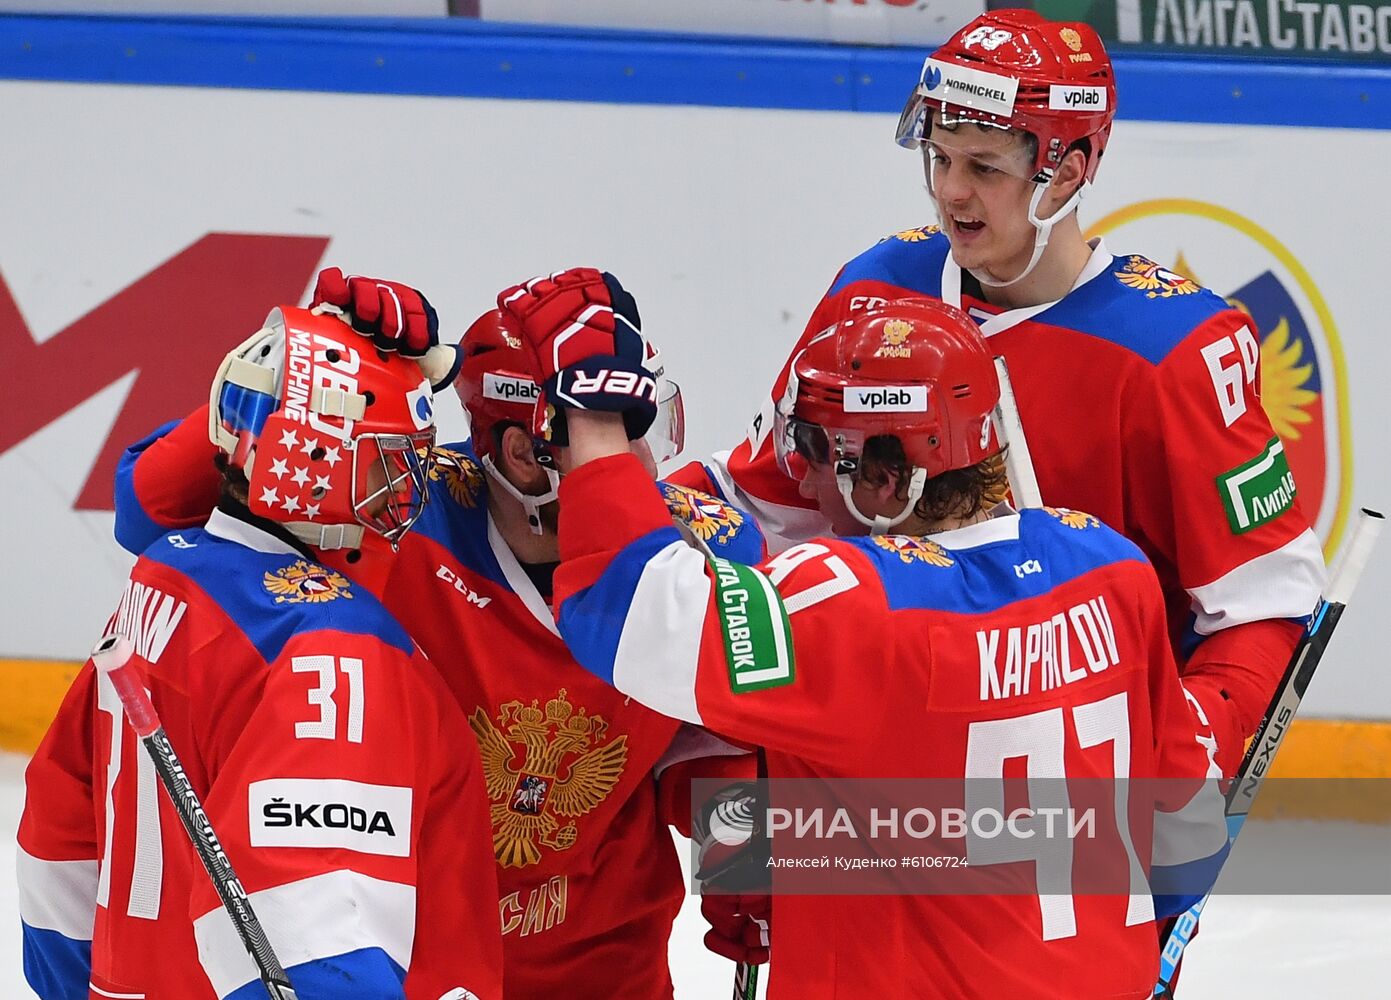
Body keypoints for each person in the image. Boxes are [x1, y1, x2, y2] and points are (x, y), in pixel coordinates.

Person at [496, 269, 1230, 998]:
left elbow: (626, 608)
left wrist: (591, 417)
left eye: (816, 458)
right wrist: (749, 858)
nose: (803, 488)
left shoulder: (857, 604)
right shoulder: (1108, 569)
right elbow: (1181, 841)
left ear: (883, 480)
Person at [673, 8, 1326, 780]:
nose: (950, 192)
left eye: (983, 167)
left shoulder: (1176, 350)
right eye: (938, 159)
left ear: (1071, 171)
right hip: (875, 745)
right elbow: (765, 495)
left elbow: (1264, 605)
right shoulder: (878, 289)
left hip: (1058, 772)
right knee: (747, 877)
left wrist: (1184, 753)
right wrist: (619, 513)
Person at [103, 271, 770, 997]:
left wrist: (743, 860)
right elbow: (148, 514)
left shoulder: (708, 549)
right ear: (526, 454)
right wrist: (294, 368)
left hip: (607, 967)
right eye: (613, 429)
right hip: (415, 962)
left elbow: (711, 733)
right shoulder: (398, 517)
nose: (649, 467)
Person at [17, 304, 502, 1000]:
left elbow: (56, 830)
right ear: (313, 464)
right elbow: (315, 942)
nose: (409, 491)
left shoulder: (165, 574)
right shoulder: (334, 649)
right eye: (389, 464)